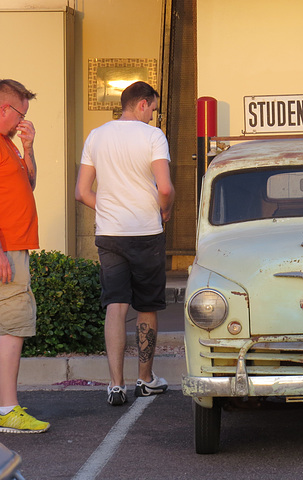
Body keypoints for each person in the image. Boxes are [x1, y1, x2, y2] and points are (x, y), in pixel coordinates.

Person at [75, 81, 175, 406]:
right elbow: (165, 187)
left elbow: (82, 191)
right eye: (153, 110)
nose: (153, 117)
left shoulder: (96, 135)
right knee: (147, 306)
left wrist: (107, 208)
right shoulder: (152, 137)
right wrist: (165, 209)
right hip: (146, 232)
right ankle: (144, 380)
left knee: (115, 306)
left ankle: (115, 385)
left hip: (110, 233)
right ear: (143, 104)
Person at [0, 79, 50, 433]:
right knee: (12, 327)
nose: (23, 122)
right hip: (7, 249)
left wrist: (28, 147)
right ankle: (7, 409)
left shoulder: (8, 144)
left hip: (15, 246)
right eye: (20, 115)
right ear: (4, 108)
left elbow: (28, 185)